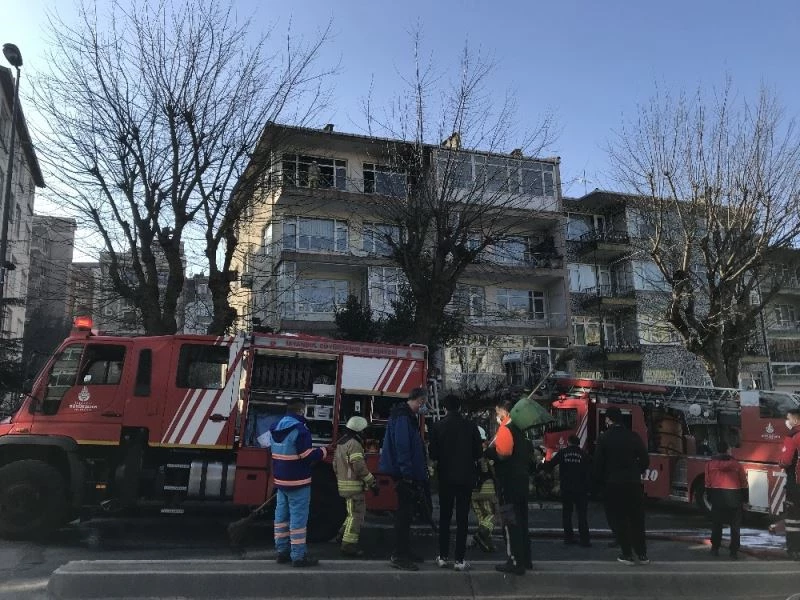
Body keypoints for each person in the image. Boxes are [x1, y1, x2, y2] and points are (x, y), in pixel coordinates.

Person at [269, 399, 327, 567]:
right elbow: (307, 456)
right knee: (298, 521)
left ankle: (282, 552)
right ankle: (298, 557)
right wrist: (323, 451)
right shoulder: (301, 430)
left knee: (281, 517)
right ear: (301, 411)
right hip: (298, 482)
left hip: (281, 481)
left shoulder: (275, 427)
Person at [429, 394, 482, 571]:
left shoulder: (437, 426)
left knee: (445, 518)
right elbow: (478, 453)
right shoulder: (471, 426)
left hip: (445, 478)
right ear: (459, 407)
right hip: (466, 478)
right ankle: (459, 560)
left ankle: (443, 556)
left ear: (444, 408)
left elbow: (433, 454)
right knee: (462, 519)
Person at [379, 387, 430, 571]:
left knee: (407, 516)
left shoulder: (404, 416)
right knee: (403, 516)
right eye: (423, 402)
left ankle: (404, 551)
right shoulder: (403, 417)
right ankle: (399, 555)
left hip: (405, 474)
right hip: (403, 475)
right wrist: (407, 474)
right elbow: (402, 446)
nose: (423, 406)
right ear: (418, 400)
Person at [594, 406, 650, 566]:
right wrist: (636, 471)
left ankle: (627, 554)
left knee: (619, 519)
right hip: (633, 483)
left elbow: (598, 464)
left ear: (608, 419)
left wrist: (599, 482)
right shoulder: (633, 436)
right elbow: (645, 459)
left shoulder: (604, 438)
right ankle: (642, 553)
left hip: (613, 483)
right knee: (637, 519)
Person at [486, 398, 532, 575]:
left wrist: (490, 452)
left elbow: (503, 454)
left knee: (510, 523)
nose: (497, 416)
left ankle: (514, 560)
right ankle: (526, 559)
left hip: (508, 482)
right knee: (522, 521)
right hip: (521, 481)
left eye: (497, 413)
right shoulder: (521, 431)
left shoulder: (505, 429)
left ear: (504, 413)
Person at [333, 416, 379, 557]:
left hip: (344, 486)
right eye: (364, 430)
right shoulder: (354, 444)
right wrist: (373, 483)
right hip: (354, 488)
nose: (365, 433)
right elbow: (359, 467)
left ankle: (341, 535)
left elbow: (335, 465)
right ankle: (348, 546)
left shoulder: (342, 443)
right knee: (356, 515)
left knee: (351, 514)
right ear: (359, 430)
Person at [704, 440, 748, 559]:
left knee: (717, 525)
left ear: (717, 450)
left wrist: (710, 496)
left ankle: (715, 549)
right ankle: (733, 552)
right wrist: (745, 499)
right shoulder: (737, 465)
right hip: (734, 498)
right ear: (728, 450)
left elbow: (707, 484)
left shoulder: (710, 465)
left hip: (718, 498)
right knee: (735, 526)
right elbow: (744, 483)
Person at [546, 434, 591, 547]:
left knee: (567, 514)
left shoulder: (563, 453)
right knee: (582, 514)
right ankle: (585, 540)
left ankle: (568, 537)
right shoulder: (583, 454)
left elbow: (551, 464)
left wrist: (539, 466)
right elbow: (590, 471)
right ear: (578, 443)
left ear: (568, 442)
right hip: (581, 488)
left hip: (566, 487)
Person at [470, 426, 497, 553]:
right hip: (486, 488)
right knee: (492, 516)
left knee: (481, 518)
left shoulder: (467, 452)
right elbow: (492, 470)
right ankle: (481, 536)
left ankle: (487, 544)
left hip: (472, 490)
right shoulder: (487, 453)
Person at [779, 408, 800, 560]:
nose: (787, 421)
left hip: (796, 484)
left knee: (793, 518)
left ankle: (794, 549)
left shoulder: (792, 437)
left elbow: (785, 461)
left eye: (789, 418)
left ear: (795, 420)